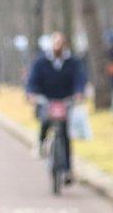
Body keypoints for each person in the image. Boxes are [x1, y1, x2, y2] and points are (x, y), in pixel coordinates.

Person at [26, 31, 86, 174]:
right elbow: (33, 80)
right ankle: (41, 143)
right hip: (47, 100)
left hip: (65, 101)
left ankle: (67, 170)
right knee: (45, 121)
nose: (58, 46)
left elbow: (79, 78)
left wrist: (78, 93)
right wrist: (32, 93)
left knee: (65, 134)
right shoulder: (41, 62)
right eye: (55, 43)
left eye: (60, 43)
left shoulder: (73, 62)